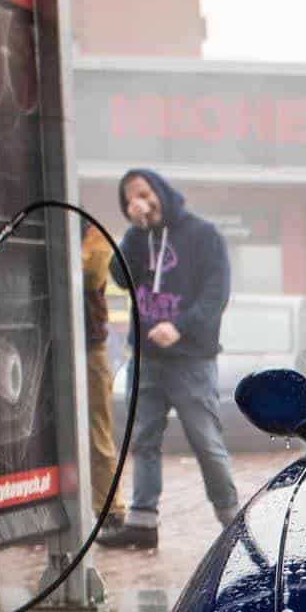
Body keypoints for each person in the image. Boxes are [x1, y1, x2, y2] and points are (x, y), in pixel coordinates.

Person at [96, 168, 239, 550]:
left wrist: (180, 326)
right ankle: (143, 522)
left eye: (143, 193)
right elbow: (119, 276)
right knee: (142, 439)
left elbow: (216, 294)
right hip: (147, 358)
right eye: (128, 199)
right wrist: (134, 231)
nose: (137, 202)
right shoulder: (138, 238)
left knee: (205, 440)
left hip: (191, 359)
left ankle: (232, 519)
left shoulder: (202, 235)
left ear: (160, 191)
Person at [79, 220, 119, 524]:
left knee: (97, 430)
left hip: (90, 347)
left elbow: (91, 276)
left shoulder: (92, 234)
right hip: (52, 344)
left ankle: (109, 508)